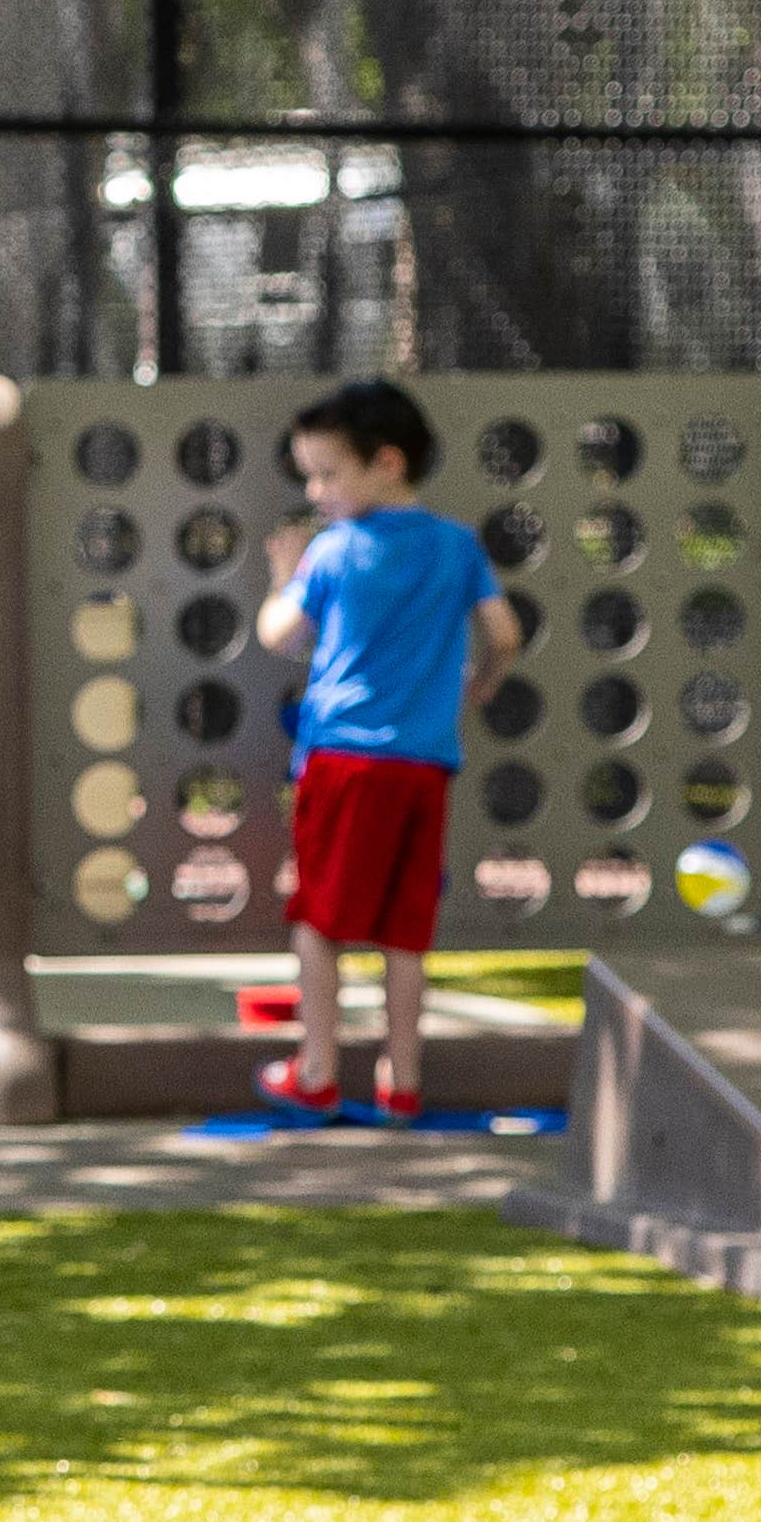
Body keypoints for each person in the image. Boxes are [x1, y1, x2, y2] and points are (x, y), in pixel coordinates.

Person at [263, 375, 502, 1120]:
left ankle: (316, 1071)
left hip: (344, 761)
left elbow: (279, 634)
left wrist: (283, 576)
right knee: (405, 931)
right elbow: (504, 633)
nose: (316, 491)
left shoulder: (335, 551)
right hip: (425, 765)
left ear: (387, 462)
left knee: (319, 922)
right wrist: (483, 680)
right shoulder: (457, 546)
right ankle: (401, 1081)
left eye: (328, 473)